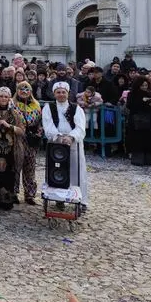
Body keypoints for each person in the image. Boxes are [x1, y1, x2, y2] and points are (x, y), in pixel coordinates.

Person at [42, 81, 88, 212]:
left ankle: (81, 200)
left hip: (73, 144)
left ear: (68, 93)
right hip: (56, 144)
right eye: (58, 92)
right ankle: (59, 199)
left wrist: (71, 137)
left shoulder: (76, 109)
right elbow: (48, 125)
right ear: (54, 94)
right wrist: (58, 137)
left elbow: (80, 127)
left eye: (63, 92)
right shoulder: (48, 108)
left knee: (77, 171)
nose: (61, 94)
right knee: (57, 170)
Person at [13, 81, 42, 205]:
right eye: (21, 89)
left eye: (27, 90)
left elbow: (40, 121)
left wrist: (40, 131)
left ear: (31, 91)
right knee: (15, 166)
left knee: (30, 167)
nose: (24, 92)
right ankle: (13, 192)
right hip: (16, 139)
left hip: (31, 140)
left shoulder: (36, 105)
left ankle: (29, 194)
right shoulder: (12, 104)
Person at [126, 76, 151, 167]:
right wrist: (142, 102)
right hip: (136, 120)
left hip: (149, 121)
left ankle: (149, 158)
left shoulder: (150, 94)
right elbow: (130, 106)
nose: (144, 87)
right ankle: (138, 157)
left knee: (149, 140)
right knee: (137, 139)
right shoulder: (132, 94)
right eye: (142, 85)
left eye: (146, 85)